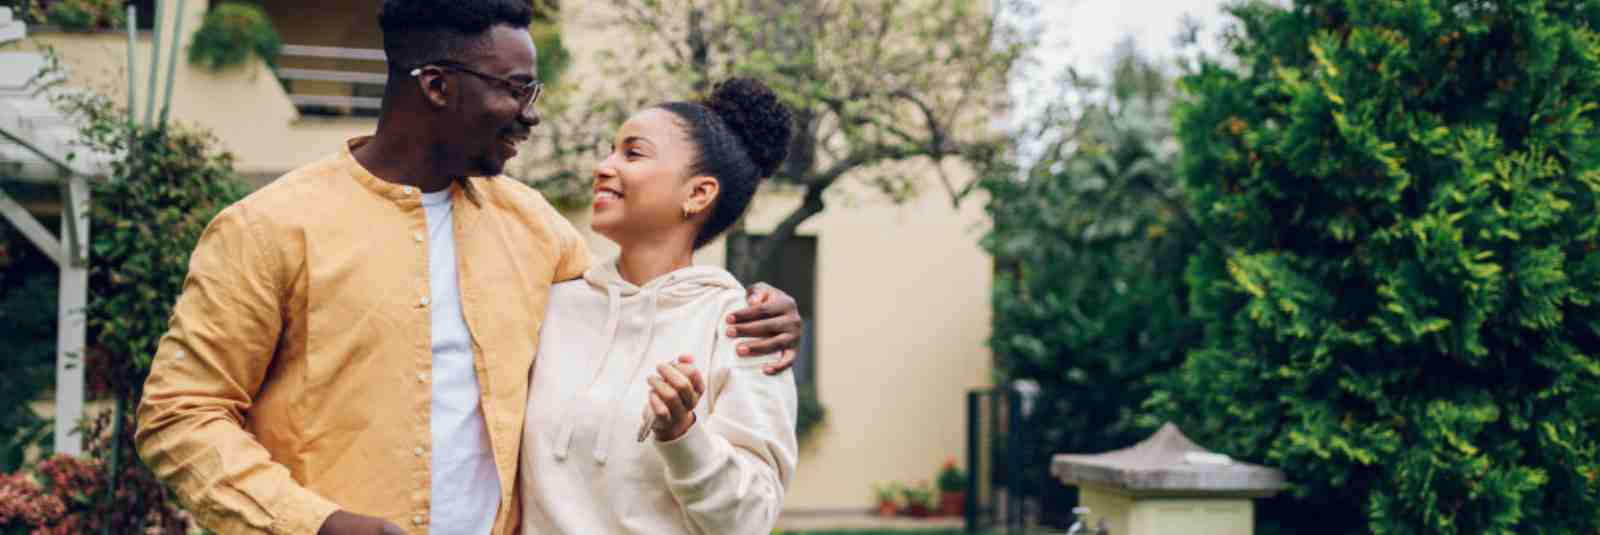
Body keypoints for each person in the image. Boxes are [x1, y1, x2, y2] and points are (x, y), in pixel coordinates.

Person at [133, 2, 804, 534]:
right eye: (516, 89)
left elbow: (639, 298)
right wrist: (316, 523)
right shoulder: (268, 227)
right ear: (436, 85)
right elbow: (180, 417)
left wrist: (764, 311)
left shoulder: (535, 230)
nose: (532, 112)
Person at [521, 77, 798, 535]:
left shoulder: (745, 331)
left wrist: (683, 435)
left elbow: (750, 520)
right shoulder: (551, 304)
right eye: (611, 150)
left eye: (632, 153)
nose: (602, 166)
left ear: (697, 194)